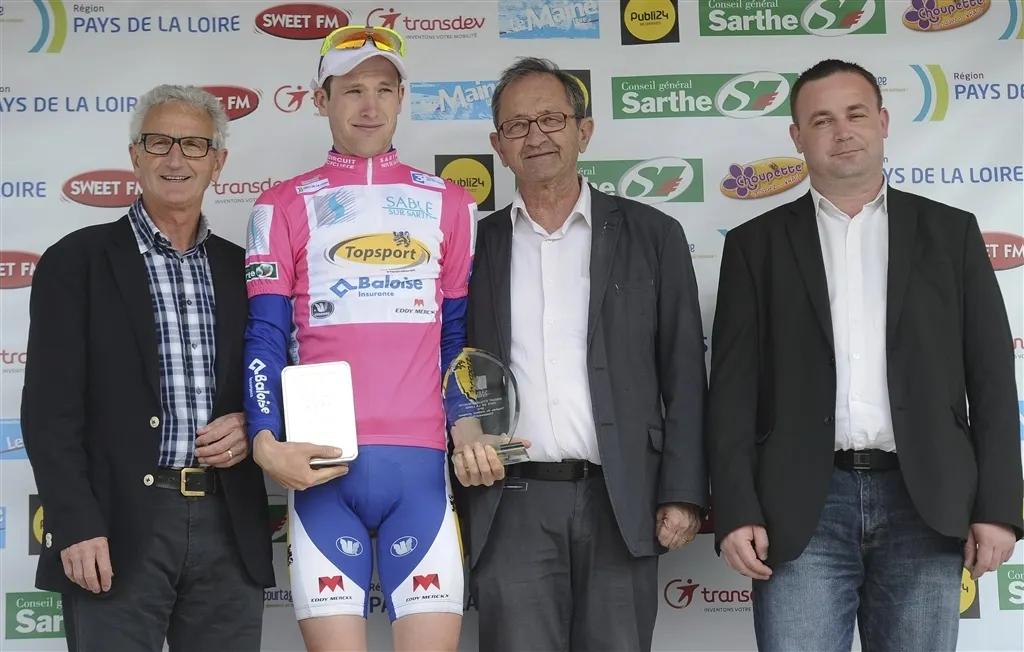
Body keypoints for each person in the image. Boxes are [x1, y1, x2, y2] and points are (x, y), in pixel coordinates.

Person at [707, 58, 1024, 652]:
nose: (842, 131)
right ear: (797, 137)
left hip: (926, 504)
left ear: (882, 121)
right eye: (821, 120)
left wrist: (999, 507)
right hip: (799, 509)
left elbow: (991, 380)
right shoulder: (755, 246)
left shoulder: (951, 233)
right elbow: (731, 393)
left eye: (855, 114)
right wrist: (735, 508)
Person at [452, 56, 709, 652]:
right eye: (517, 125)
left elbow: (684, 374)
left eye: (551, 119)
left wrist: (683, 492)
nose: (535, 136)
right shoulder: (472, 248)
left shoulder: (654, 235)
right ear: (498, 145)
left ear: (583, 130)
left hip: (621, 500)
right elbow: (447, 363)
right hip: (508, 501)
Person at [241, 25, 476, 652]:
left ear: (401, 98)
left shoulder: (452, 203)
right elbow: (266, 335)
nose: (369, 106)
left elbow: (454, 335)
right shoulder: (280, 205)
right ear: (321, 99)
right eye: (351, 90)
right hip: (320, 468)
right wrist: (264, 439)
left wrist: (464, 422)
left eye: (383, 89)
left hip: (420, 470)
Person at [20, 84, 275, 652]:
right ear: (135, 155)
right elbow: (47, 413)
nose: (176, 159)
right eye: (159, 142)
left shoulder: (246, 271)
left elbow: (277, 379)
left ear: (218, 163)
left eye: (194, 145)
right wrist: (75, 523)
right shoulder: (76, 261)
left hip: (229, 524)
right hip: (116, 528)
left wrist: (255, 423)